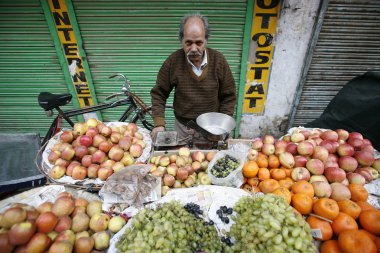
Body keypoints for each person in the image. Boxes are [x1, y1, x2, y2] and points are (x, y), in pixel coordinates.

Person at [150, 13, 237, 143]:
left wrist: (222, 125)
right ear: (182, 40)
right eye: (189, 43)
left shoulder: (219, 61)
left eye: (199, 43)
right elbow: (159, 93)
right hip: (183, 128)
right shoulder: (173, 61)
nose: (194, 48)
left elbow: (229, 96)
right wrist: (159, 124)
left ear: (206, 40)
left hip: (211, 130)